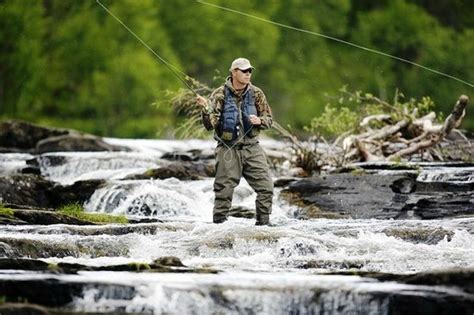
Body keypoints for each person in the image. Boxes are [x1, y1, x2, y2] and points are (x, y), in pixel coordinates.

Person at [196, 57, 274, 225]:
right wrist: (206, 109)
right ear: (233, 72)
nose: (248, 74)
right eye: (244, 71)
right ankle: (218, 230)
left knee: (266, 189)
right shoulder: (219, 94)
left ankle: (264, 228)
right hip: (228, 149)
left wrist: (260, 121)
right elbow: (210, 126)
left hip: (252, 148)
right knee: (223, 193)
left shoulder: (256, 93)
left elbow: (269, 119)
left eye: (250, 71)